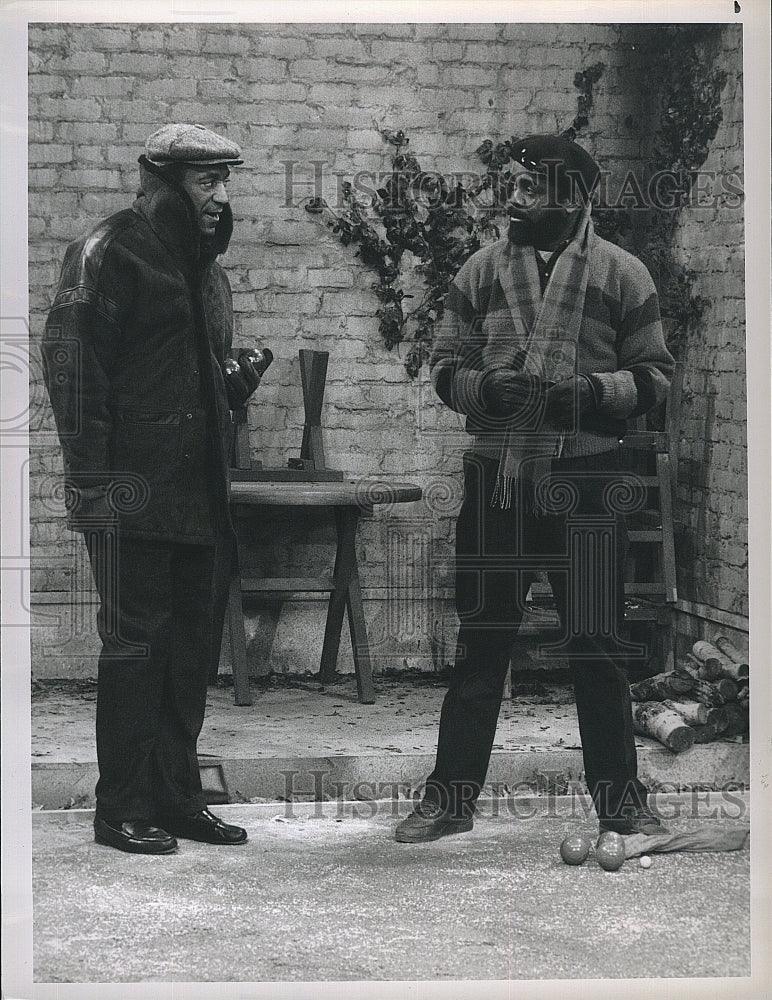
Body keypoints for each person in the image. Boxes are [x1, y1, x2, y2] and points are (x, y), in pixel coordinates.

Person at [396, 134, 675, 843]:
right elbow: (442, 370)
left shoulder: (623, 275)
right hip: (498, 481)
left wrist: (587, 392)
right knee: (483, 643)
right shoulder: (481, 271)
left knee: (598, 645)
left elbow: (657, 379)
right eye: (512, 185)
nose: (512, 199)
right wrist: (487, 386)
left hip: (588, 481)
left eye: (529, 188)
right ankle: (450, 801)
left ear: (573, 198)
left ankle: (621, 802)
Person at [42, 124, 267, 854]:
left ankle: (175, 799)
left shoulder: (206, 269)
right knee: (135, 650)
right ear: (164, 182)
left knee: (190, 651)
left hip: (199, 495)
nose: (221, 197)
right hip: (130, 495)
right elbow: (74, 375)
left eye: (226, 181)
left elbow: (183, 376)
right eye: (208, 182)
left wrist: (234, 383)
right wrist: (94, 489)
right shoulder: (107, 251)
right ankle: (121, 809)